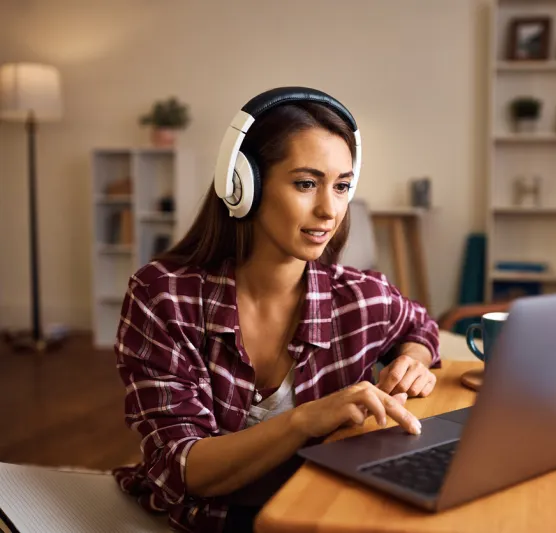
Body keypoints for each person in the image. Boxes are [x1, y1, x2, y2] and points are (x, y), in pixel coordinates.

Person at [112, 88, 441, 533]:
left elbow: (419, 326)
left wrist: (413, 360)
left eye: (342, 186)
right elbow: (181, 467)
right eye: (306, 183)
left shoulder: (361, 297)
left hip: (324, 517)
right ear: (243, 185)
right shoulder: (164, 297)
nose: (329, 210)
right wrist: (304, 421)